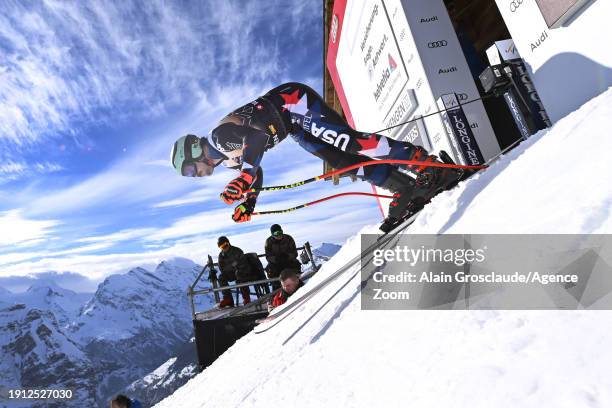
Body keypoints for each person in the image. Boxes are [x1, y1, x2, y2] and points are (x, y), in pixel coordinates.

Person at [171, 82, 463, 232]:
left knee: (348, 142)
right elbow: (255, 171)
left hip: (293, 103)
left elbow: (256, 138)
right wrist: (250, 201)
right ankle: (403, 187)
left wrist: (245, 175)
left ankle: (428, 165)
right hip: (292, 126)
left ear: (194, 151)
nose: (193, 175)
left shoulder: (219, 137)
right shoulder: (227, 159)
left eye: (188, 170)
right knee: (340, 162)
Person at [217, 236, 252, 307]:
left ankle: (246, 298)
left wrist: (236, 268)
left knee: (239, 274)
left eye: (225, 245)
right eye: (222, 246)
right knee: (221, 277)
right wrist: (232, 266)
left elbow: (244, 263)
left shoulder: (237, 251)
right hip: (231, 273)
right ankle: (228, 299)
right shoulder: (221, 256)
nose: (224, 247)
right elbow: (222, 269)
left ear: (228, 243)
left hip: (242, 271)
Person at [264, 224, 301, 291]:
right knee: (271, 270)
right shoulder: (269, 242)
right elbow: (268, 256)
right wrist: (276, 259)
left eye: (280, 232)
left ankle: (297, 285)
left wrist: (288, 256)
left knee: (296, 265)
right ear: (272, 234)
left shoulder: (288, 238)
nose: (279, 235)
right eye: (276, 233)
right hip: (276, 263)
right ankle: (276, 290)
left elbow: (294, 252)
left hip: (289, 261)